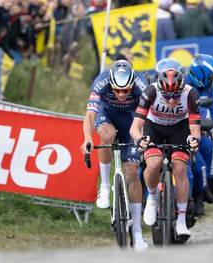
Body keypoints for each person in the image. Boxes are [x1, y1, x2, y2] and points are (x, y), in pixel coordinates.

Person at [80, 59, 149, 250]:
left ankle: (136, 230)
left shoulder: (142, 85)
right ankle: (104, 185)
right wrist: (87, 138)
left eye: (125, 91)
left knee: (133, 172)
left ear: (132, 84)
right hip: (107, 115)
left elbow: (150, 117)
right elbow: (90, 116)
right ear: (110, 82)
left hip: (131, 122)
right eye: (116, 90)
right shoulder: (101, 82)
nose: (120, 94)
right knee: (107, 135)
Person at [130, 58, 201, 239]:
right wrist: (139, 139)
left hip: (180, 128)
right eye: (167, 96)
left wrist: (194, 140)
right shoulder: (150, 91)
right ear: (160, 90)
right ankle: (152, 197)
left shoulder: (190, 94)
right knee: (153, 164)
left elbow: (195, 130)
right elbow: (135, 127)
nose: (171, 100)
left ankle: (181, 221)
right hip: (154, 127)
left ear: (182, 90)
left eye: (175, 96)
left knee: (180, 167)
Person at [185, 54, 213, 216]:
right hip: (179, 132)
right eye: (210, 78)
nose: (212, 82)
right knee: (197, 163)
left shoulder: (207, 91)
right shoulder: (181, 85)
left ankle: (202, 194)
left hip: (199, 133)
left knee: (208, 147)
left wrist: (208, 125)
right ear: (202, 75)